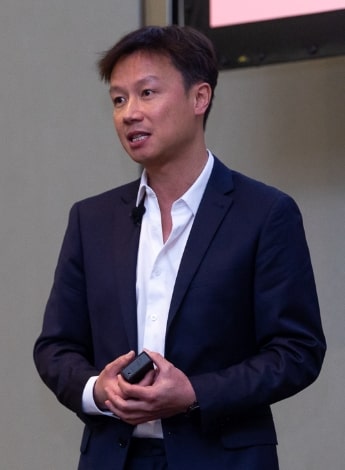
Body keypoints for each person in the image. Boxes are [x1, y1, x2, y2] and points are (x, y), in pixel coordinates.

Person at [34, 25, 326, 470]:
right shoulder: (90, 220)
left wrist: (194, 393)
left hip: (223, 459)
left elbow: (296, 351)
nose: (130, 113)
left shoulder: (265, 213)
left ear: (199, 98)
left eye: (147, 93)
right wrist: (98, 389)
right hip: (115, 458)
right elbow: (55, 347)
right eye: (118, 99)